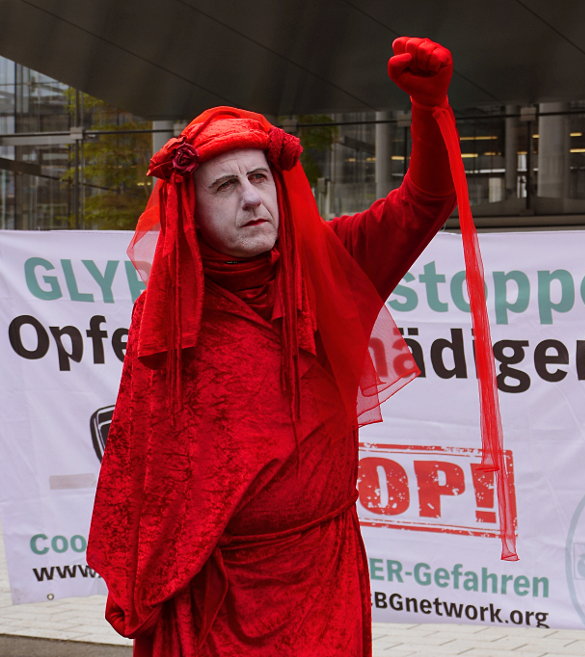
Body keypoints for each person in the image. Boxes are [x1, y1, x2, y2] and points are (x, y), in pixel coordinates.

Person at [88, 36, 457, 656]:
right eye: (225, 186)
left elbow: (425, 203)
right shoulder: (165, 315)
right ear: (190, 211)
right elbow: (145, 480)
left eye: (259, 177)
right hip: (214, 600)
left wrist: (429, 108)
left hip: (322, 578)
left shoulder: (333, 262)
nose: (253, 197)